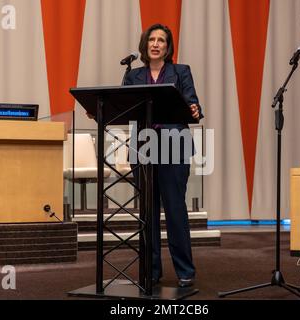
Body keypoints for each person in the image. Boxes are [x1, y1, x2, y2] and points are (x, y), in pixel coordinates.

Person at [123, 23, 203, 288]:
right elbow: (122, 107)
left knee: (175, 211)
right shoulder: (132, 75)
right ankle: (151, 270)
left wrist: (194, 109)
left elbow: (192, 101)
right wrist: (102, 111)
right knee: (148, 213)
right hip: (143, 149)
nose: (156, 44)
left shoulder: (181, 72)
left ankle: (184, 271)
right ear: (145, 45)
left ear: (168, 48)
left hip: (173, 146)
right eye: (152, 40)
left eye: (162, 41)